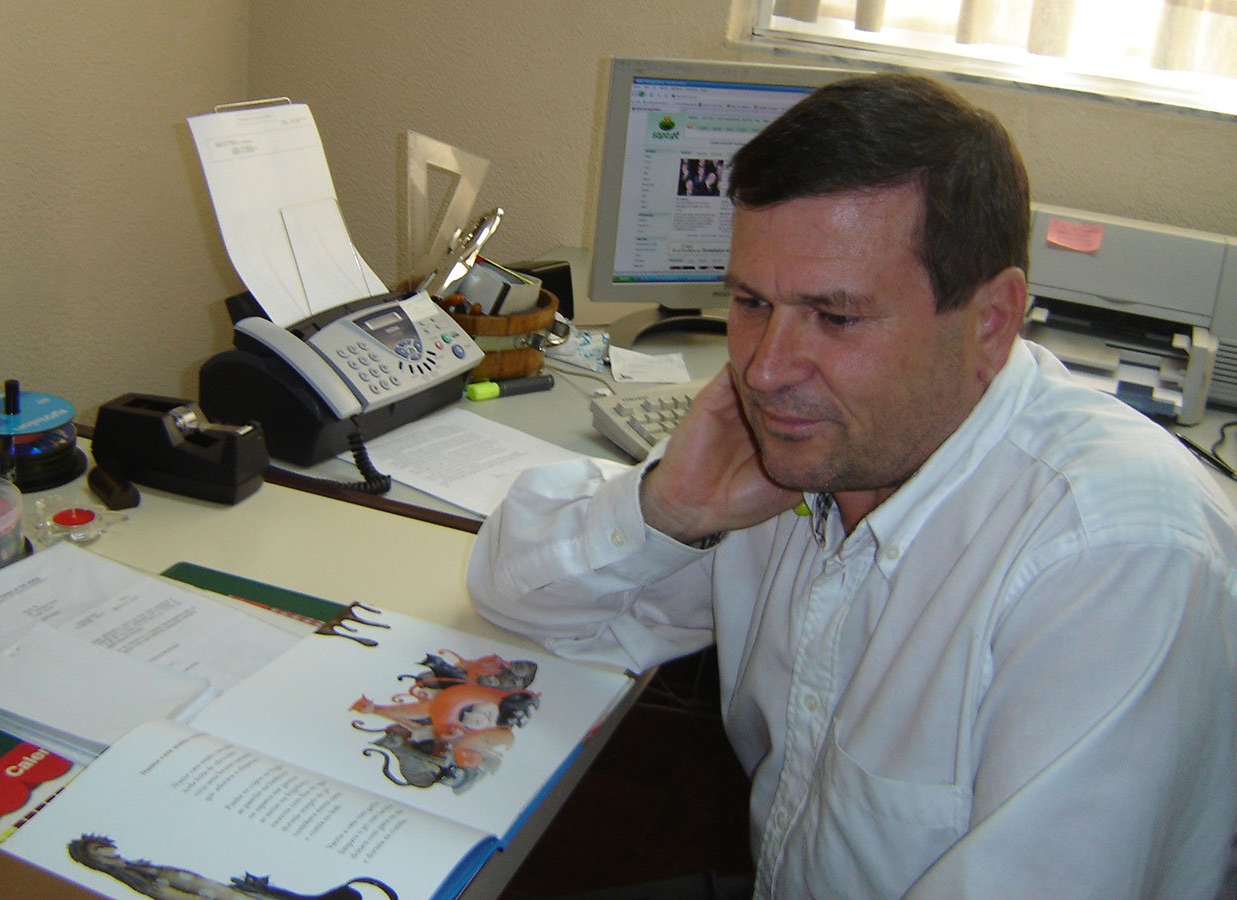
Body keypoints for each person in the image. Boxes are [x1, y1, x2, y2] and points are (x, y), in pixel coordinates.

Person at [468, 73, 1236, 898]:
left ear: (990, 323)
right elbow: (519, 600)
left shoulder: (1114, 557)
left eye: (835, 318)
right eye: (751, 302)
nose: (765, 369)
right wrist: (669, 510)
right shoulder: (810, 450)